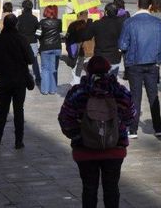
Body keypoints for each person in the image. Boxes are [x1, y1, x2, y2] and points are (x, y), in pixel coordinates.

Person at [58, 56, 136, 208]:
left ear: (88, 71)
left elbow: (65, 119)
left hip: (84, 149)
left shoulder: (78, 92)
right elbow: (131, 116)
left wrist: (78, 135)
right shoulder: (120, 92)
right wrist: (117, 130)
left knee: (89, 189)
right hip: (115, 148)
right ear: (108, 70)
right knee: (112, 188)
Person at [118, 0, 161, 139]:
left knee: (135, 97)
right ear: (150, 6)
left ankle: (133, 129)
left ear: (137, 4)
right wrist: (159, 59)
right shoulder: (158, 23)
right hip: (153, 64)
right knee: (153, 96)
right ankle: (158, 128)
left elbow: (122, 44)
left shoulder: (129, 22)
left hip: (134, 64)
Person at [0, 14, 34, 149]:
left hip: (4, 80)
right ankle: (19, 141)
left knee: (3, 110)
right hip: (19, 80)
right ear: (16, 25)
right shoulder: (22, 39)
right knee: (19, 110)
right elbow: (30, 59)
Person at [86, 3, 125, 77]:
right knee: (112, 82)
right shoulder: (121, 24)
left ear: (105, 12)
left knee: (100, 82)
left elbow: (87, 36)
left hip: (100, 57)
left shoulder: (97, 23)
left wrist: (89, 21)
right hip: (114, 57)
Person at [36, 5, 63, 95]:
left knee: (45, 69)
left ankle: (45, 90)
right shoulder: (59, 22)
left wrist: (42, 38)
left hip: (45, 47)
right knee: (54, 69)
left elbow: (37, 35)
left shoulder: (41, 22)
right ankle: (53, 89)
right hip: (56, 46)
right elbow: (59, 32)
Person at [17, 0, 41, 88]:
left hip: (22, 42)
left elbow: (16, 30)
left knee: (22, 62)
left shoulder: (19, 18)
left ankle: (22, 78)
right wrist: (36, 37)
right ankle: (38, 79)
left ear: (23, 8)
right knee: (34, 61)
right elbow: (39, 30)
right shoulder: (34, 18)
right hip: (33, 42)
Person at [67, 11, 94, 86]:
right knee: (87, 66)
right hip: (90, 49)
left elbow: (69, 37)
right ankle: (89, 81)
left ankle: (76, 82)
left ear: (78, 15)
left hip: (78, 49)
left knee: (77, 66)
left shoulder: (73, 24)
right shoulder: (90, 24)